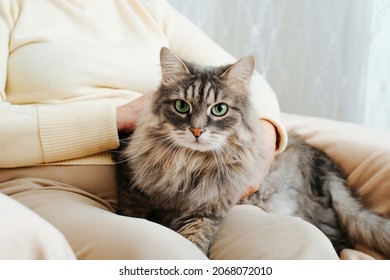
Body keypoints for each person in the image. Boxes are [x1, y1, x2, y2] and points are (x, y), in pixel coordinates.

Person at [0, 0, 338, 259]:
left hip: (180, 188)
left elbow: (248, 82)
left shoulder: (145, 7)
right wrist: (117, 116)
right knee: (166, 258)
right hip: (52, 186)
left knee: (301, 245)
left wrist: (264, 138)